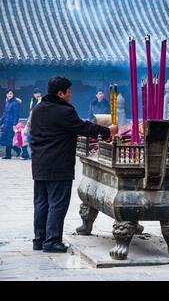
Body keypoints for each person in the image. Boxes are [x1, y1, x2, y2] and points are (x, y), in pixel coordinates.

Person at [30, 76, 118, 253]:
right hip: (58, 165)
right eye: (69, 91)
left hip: (40, 164)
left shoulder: (38, 109)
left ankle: (39, 239)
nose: (71, 94)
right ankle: (52, 241)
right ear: (60, 93)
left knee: (41, 203)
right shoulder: (63, 111)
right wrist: (108, 131)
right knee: (57, 203)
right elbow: (84, 127)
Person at [0, 89, 22, 159]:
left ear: (13, 95)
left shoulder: (14, 103)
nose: (9, 95)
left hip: (11, 125)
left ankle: (10, 154)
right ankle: (14, 152)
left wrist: (14, 125)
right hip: (6, 124)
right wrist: (1, 122)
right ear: (6, 94)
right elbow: (4, 114)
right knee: (7, 139)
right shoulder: (7, 103)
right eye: (8, 94)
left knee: (10, 139)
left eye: (11, 94)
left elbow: (16, 115)